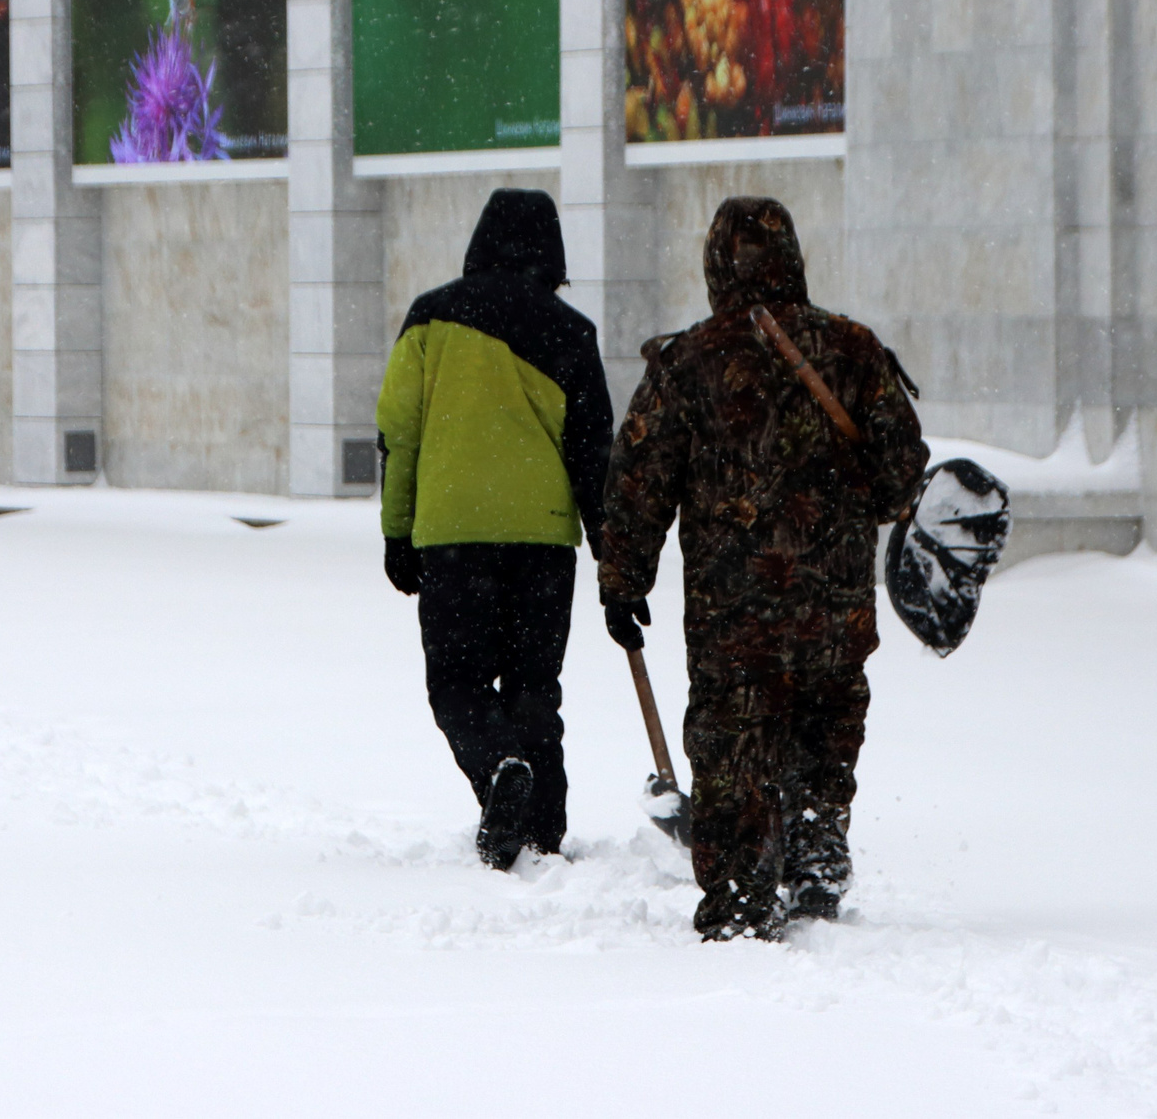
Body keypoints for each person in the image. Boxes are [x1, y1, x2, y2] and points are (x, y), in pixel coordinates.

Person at [597, 197, 927, 940]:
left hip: (734, 620)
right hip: (835, 612)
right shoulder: (853, 350)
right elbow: (903, 472)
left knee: (736, 749)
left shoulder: (686, 364)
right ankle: (815, 848)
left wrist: (623, 580)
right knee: (823, 734)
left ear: (715, 267)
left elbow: (638, 481)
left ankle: (744, 895)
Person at [376, 188, 613, 870]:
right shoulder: (572, 332)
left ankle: (499, 766)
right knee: (535, 686)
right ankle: (542, 831)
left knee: (458, 685)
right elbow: (594, 451)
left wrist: (397, 530)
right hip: (543, 542)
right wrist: (613, 557)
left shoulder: (431, 316)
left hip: (454, 533)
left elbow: (401, 430)